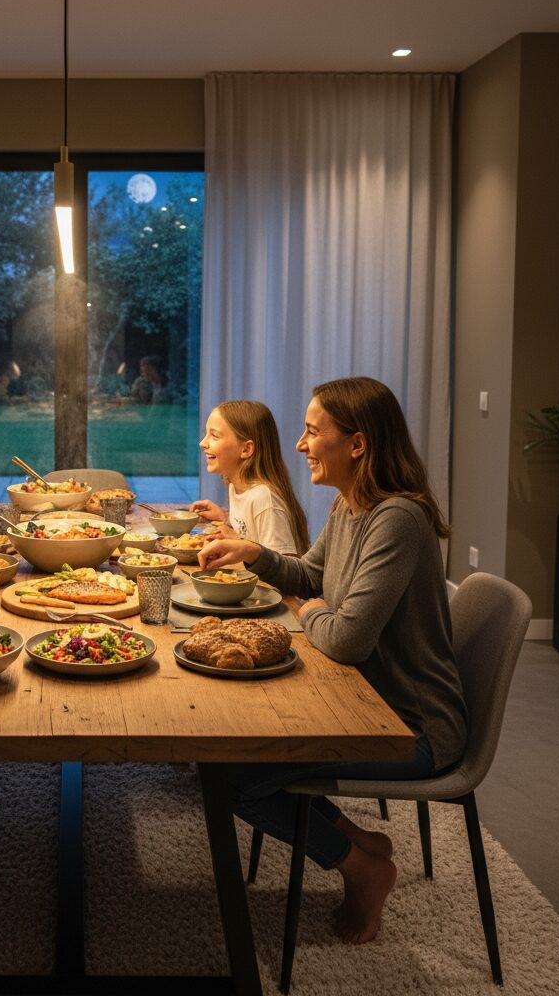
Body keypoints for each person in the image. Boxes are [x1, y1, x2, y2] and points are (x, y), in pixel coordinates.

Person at [198, 377, 467, 945]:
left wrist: (311, 608)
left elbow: (345, 640)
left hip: (409, 727)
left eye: (312, 432)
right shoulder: (351, 506)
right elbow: (308, 575)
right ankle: (359, 842)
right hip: (358, 701)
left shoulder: (396, 519)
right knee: (234, 747)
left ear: (357, 444)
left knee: (229, 775)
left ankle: (361, 867)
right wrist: (256, 554)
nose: (300, 445)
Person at [189, 400, 310, 554]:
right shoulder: (235, 486)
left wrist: (237, 541)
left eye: (214, 436)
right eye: (206, 434)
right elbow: (251, 534)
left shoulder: (264, 499)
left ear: (246, 449)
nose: (202, 443)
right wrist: (224, 518)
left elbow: (285, 563)